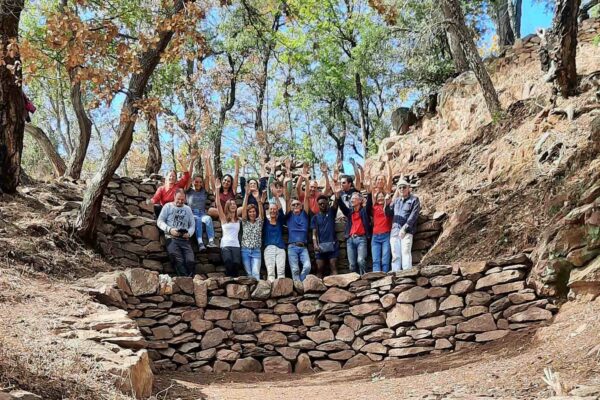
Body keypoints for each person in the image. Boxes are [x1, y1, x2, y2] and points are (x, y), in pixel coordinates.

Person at [156, 189, 196, 277]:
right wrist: (170, 230)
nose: (180, 201)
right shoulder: (167, 206)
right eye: (178, 199)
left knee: (190, 261)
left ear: (185, 199)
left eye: (182, 200)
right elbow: (160, 221)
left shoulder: (188, 209)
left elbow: (192, 225)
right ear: (174, 197)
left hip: (185, 239)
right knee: (178, 261)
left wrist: (189, 233)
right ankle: (186, 281)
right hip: (171, 238)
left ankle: (190, 281)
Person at [386, 178, 421, 271]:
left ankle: (407, 274)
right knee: (395, 255)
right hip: (394, 231)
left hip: (407, 231)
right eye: (400, 187)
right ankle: (396, 275)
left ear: (408, 188)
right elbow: (388, 214)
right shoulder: (396, 201)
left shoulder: (414, 199)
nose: (402, 189)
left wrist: (405, 228)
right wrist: (386, 204)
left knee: (405, 252)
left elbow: (414, 215)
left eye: (404, 187)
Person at [185, 156, 217, 250]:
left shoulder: (204, 191)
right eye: (196, 182)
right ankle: (200, 243)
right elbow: (188, 175)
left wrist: (207, 160)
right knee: (197, 220)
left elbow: (207, 177)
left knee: (208, 219)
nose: (198, 183)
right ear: (193, 182)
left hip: (202, 213)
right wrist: (192, 160)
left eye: (200, 182)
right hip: (192, 213)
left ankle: (211, 241)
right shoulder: (188, 190)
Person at [151, 153, 196, 218]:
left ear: (175, 178)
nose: (171, 178)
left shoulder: (178, 186)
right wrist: (150, 202)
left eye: (173, 176)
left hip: (176, 210)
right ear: (166, 177)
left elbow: (186, 175)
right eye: (170, 176)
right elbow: (155, 198)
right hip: (165, 211)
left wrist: (181, 162)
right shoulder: (161, 189)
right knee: (157, 207)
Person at [337, 191, 371, 275]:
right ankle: (355, 283)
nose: (352, 200)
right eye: (351, 199)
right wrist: (337, 195)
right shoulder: (350, 212)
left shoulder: (364, 211)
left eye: (354, 198)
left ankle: (364, 279)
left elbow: (369, 204)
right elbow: (342, 206)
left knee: (361, 261)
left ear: (360, 201)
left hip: (361, 239)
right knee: (352, 265)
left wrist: (369, 192)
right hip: (350, 240)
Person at [286, 172, 312, 281]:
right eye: (293, 205)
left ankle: (299, 283)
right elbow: (287, 198)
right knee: (295, 269)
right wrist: (286, 183)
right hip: (292, 247)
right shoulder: (289, 216)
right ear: (291, 207)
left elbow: (306, 197)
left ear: (301, 206)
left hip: (303, 247)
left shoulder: (304, 215)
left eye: (298, 204)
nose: (296, 206)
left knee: (307, 267)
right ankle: (299, 287)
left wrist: (306, 180)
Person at [214, 178, 242, 277]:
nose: (233, 205)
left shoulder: (239, 219)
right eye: (231, 204)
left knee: (236, 264)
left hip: (236, 245)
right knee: (228, 263)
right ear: (228, 206)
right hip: (225, 245)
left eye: (234, 204)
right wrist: (217, 190)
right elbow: (218, 204)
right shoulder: (224, 218)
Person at [311, 194, 339, 278]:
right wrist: (315, 244)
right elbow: (314, 233)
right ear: (318, 205)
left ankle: (337, 287)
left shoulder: (331, 213)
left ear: (327, 203)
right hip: (320, 246)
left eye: (324, 203)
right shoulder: (315, 217)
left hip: (333, 245)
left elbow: (336, 204)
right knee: (319, 268)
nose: (322, 205)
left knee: (333, 265)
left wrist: (336, 195)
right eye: (320, 204)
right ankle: (317, 289)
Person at [241, 185, 265, 280]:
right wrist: (246, 195)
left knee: (256, 273)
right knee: (249, 274)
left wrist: (258, 200)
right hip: (245, 250)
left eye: (254, 211)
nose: (252, 213)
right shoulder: (244, 222)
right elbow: (243, 210)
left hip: (256, 251)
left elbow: (262, 214)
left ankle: (258, 293)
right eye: (250, 212)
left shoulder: (259, 222)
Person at [263, 193, 287, 282]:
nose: (273, 211)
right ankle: (272, 293)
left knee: (281, 273)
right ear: (268, 210)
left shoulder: (280, 221)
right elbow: (261, 213)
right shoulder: (265, 222)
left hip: (280, 248)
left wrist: (276, 196)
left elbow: (281, 211)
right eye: (271, 209)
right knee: (271, 274)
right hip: (269, 248)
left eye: (274, 209)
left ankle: (283, 293)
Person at [368, 188, 393, 273]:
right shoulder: (374, 207)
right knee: (375, 260)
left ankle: (385, 279)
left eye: (382, 196)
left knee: (385, 260)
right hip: (375, 237)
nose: (380, 198)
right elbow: (371, 198)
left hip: (386, 235)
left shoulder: (389, 208)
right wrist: (370, 188)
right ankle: (376, 279)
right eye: (378, 197)